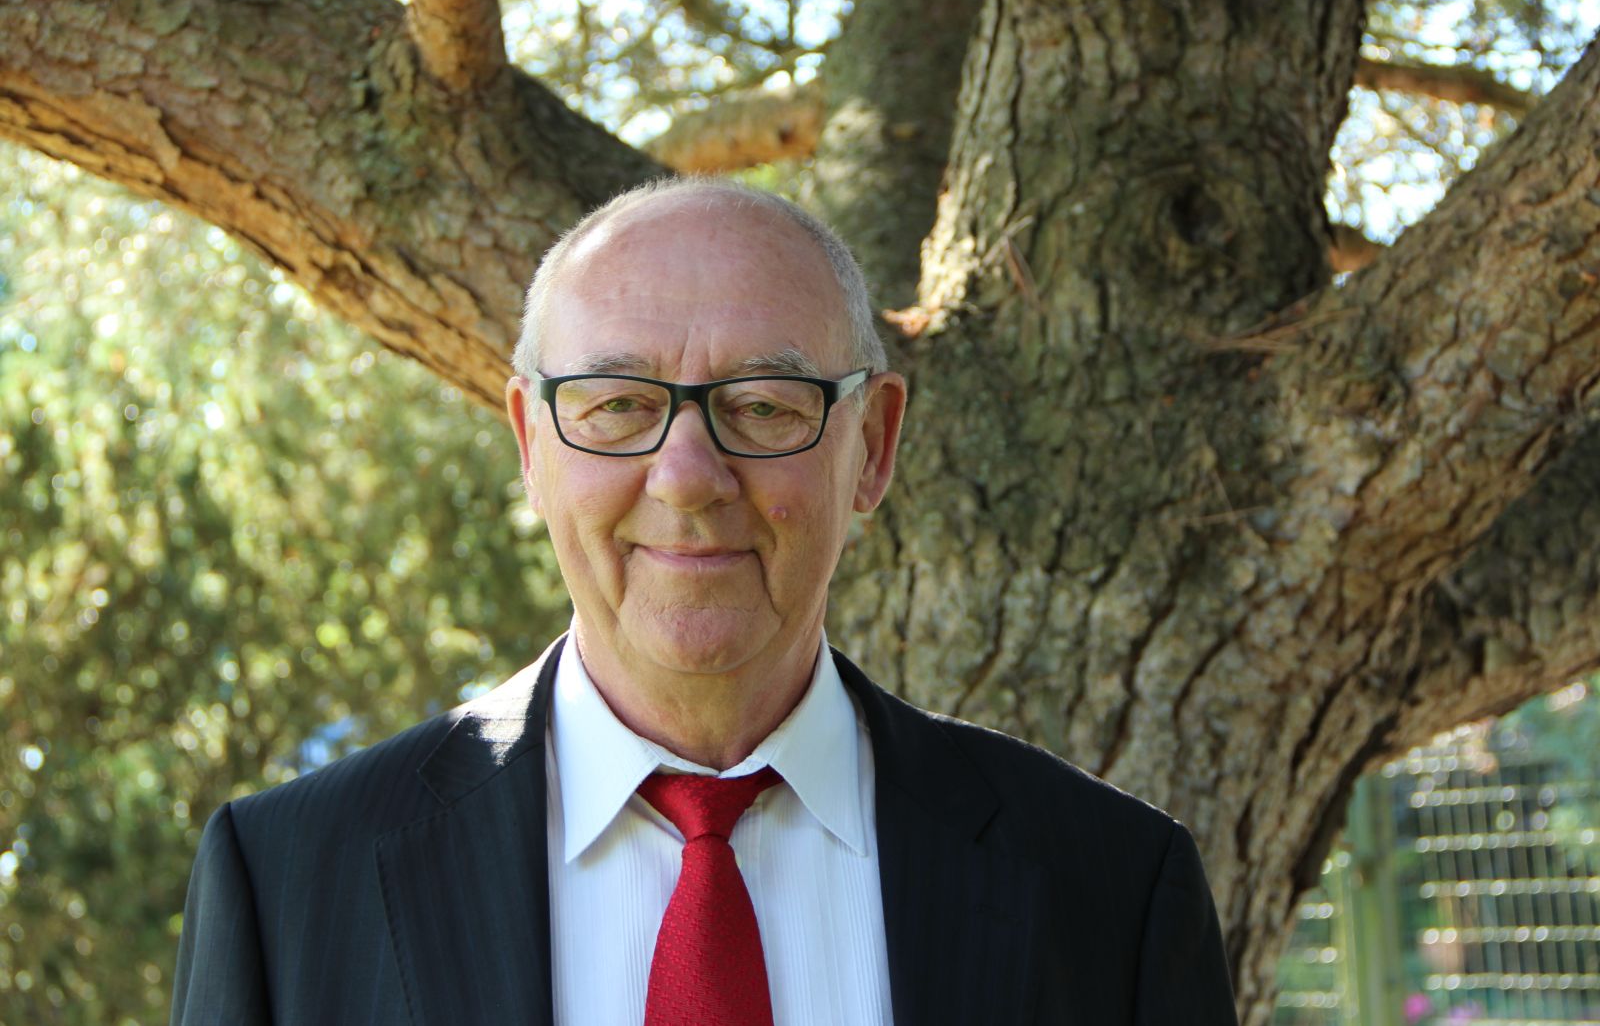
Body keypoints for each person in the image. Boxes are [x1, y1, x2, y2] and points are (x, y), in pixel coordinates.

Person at [171, 178, 1239, 1025]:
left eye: (764, 405)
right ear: (531, 444)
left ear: (872, 446)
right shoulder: (289, 882)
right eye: (618, 405)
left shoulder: (1111, 884)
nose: (687, 476)